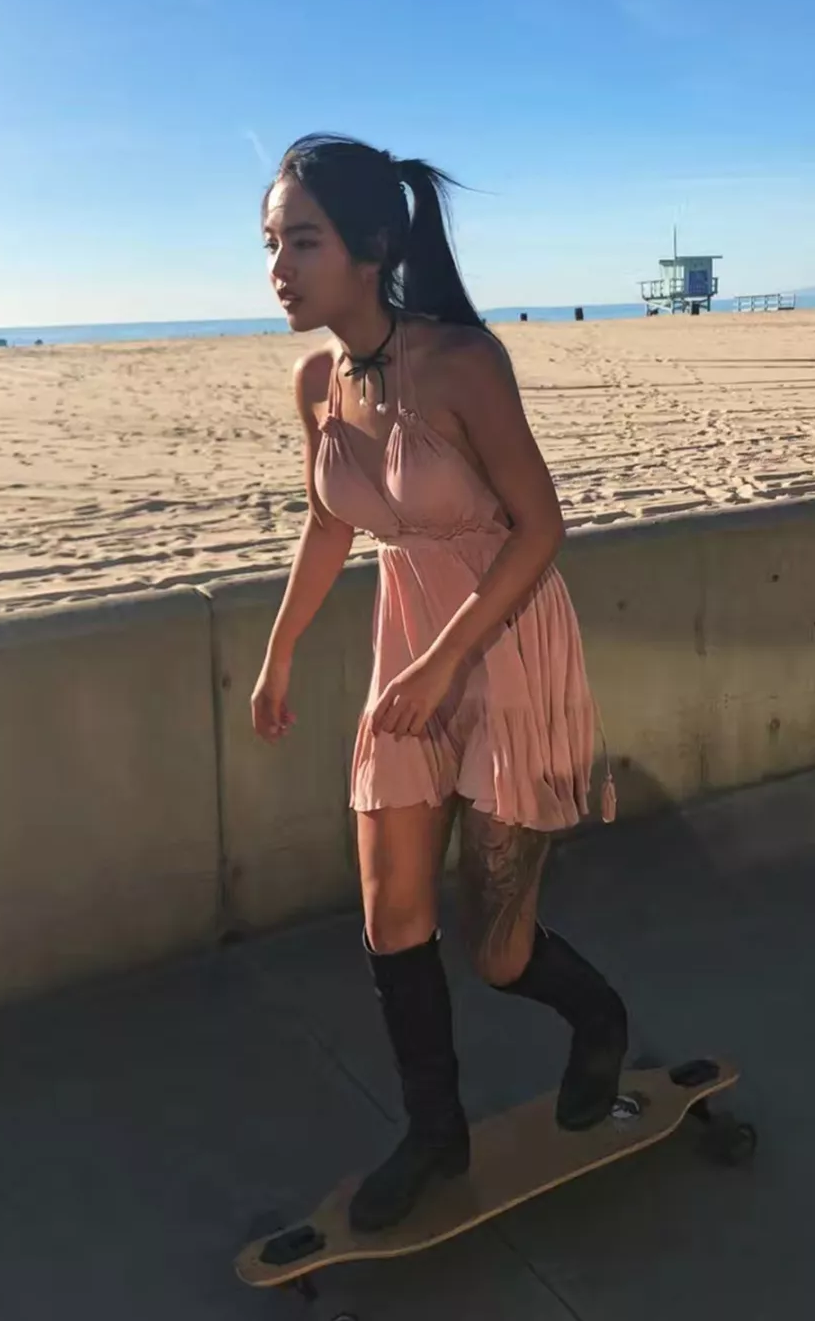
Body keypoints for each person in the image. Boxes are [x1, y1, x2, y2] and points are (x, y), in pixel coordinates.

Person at [251, 133, 627, 1234]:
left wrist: (448, 657)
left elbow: (541, 527)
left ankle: (599, 1018)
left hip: (499, 642)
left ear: (372, 247)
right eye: (270, 244)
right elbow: (330, 523)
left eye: (302, 242)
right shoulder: (316, 382)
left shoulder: (463, 363)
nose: (278, 267)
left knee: (500, 950)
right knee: (391, 914)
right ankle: (434, 1131)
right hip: (407, 649)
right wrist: (280, 650)